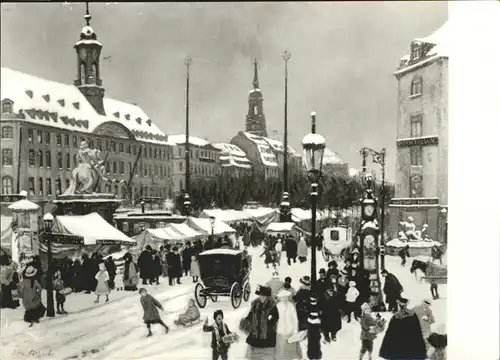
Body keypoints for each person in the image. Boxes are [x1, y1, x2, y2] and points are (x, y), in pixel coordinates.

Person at [240, 285, 279, 360]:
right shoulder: (255, 304)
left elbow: (274, 321)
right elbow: (250, 316)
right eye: (260, 295)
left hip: (268, 338)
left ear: (267, 296)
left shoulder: (273, 306)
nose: (260, 297)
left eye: (262, 295)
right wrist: (245, 324)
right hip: (255, 338)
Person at [274, 289, 302, 360]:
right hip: (281, 330)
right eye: (283, 297)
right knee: (281, 348)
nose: (284, 299)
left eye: (286, 297)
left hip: (290, 330)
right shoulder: (277, 306)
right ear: (280, 298)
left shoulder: (291, 306)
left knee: (291, 348)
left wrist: (295, 329)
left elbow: (295, 319)